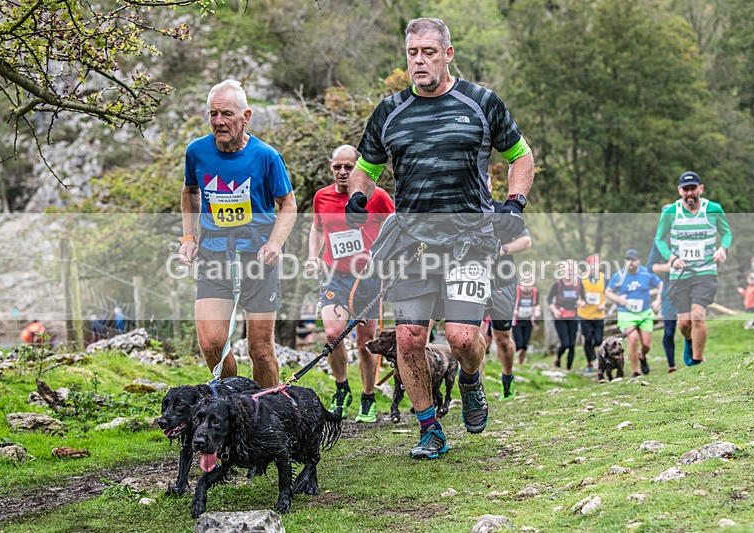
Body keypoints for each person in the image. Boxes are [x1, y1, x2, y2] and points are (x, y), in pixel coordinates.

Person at [345, 18, 534, 459]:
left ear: (448, 54)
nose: (419, 61)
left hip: (470, 239)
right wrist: (358, 195)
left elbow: (521, 156)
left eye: (429, 52)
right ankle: (429, 429)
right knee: (409, 338)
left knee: (462, 338)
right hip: (412, 242)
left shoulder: (482, 102)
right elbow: (367, 167)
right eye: (412, 53)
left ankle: (470, 381)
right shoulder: (389, 111)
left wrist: (514, 203)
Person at [178, 79, 297, 388]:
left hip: (258, 258)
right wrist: (188, 238)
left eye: (227, 114)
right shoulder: (197, 152)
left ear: (246, 116)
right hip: (214, 255)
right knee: (212, 344)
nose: (219, 122)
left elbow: (288, 204)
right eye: (213, 114)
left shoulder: (267, 156)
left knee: (259, 349)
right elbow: (189, 191)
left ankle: (270, 414)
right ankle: (236, 402)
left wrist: (275, 243)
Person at [305, 144, 395, 422]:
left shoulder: (377, 196)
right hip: (335, 275)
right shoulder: (321, 197)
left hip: (367, 279)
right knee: (332, 333)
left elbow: (396, 227)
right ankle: (342, 389)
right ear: (330, 165)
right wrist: (313, 256)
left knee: (366, 342)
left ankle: (367, 398)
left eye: (349, 167)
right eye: (338, 167)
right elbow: (317, 228)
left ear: (358, 168)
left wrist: (382, 259)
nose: (343, 172)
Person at [654, 171, 732, 366]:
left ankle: (697, 361)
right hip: (680, 274)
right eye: (686, 189)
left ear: (701, 189)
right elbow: (659, 240)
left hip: (705, 271)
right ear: (680, 191)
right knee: (684, 323)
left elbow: (726, 233)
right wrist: (671, 258)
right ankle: (690, 341)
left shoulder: (713, 209)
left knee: (698, 314)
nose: (690, 193)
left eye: (693, 189)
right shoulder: (670, 213)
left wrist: (723, 248)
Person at [479, 183, 532, 401]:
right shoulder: (465, 212)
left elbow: (526, 241)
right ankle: (475, 392)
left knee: (502, 339)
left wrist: (502, 250)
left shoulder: (503, 210)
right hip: (476, 280)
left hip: (503, 282)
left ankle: (507, 378)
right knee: (476, 337)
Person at [605, 249, 662, 377]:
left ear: (638, 261)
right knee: (633, 339)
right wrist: (619, 299)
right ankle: (636, 371)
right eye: (627, 260)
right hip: (626, 313)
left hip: (645, 312)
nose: (630, 262)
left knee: (646, 344)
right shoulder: (619, 276)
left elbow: (661, 285)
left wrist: (658, 300)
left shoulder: (646, 273)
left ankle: (642, 356)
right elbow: (608, 292)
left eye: (632, 260)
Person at [648, 238, 679, 373]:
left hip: (691, 288)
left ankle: (695, 356)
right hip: (669, 292)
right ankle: (671, 365)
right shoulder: (661, 241)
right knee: (669, 331)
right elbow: (651, 266)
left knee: (690, 324)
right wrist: (668, 266)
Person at [547, 260, 584, 371]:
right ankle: (558, 358)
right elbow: (549, 300)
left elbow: (584, 298)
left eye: (571, 270)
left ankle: (568, 369)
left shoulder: (578, 284)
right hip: (560, 318)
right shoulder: (557, 284)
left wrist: (581, 303)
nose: (568, 272)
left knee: (572, 344)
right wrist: (554, 310)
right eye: (566, 270)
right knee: (565, 343)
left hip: (573, 316)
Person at [577, 254, 605, 373]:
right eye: (592, 264)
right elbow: (575, 294)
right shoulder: (580, 278)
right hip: (585, 315)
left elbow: (608, 293)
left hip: (599, 314)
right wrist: (579, 301)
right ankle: (589, 362)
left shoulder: (604, 278)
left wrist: (605, 303)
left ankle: (594, 353)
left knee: (598, 340)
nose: (594, 267)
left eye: (596, 264)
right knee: (588, 339)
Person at [512, 275, 538, 365]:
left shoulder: (535, 292)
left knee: (525, 345)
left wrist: (537, 311)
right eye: (526, 281)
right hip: (517, 321)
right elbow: (509, 303)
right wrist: (513, 311)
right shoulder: (516, 290)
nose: (527, 284)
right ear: (521, 281)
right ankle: (508, 358)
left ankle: (520, 363)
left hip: (528, 321)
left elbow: (536, 304)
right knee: (519, 344)